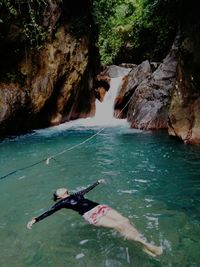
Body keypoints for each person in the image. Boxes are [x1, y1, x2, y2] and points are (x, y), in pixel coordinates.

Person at [27, 179, 163, 257]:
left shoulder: (76, 194)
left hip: (100, 208)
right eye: (58, 190)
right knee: (118, 226)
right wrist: (35, 220)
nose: (60, 188)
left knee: (125, 221)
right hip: (92, 215)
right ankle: (146, 245)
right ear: (59, 196)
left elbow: (87, 189)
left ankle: (141, 241)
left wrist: (97, 182)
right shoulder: (62, 203)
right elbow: (49, 212)